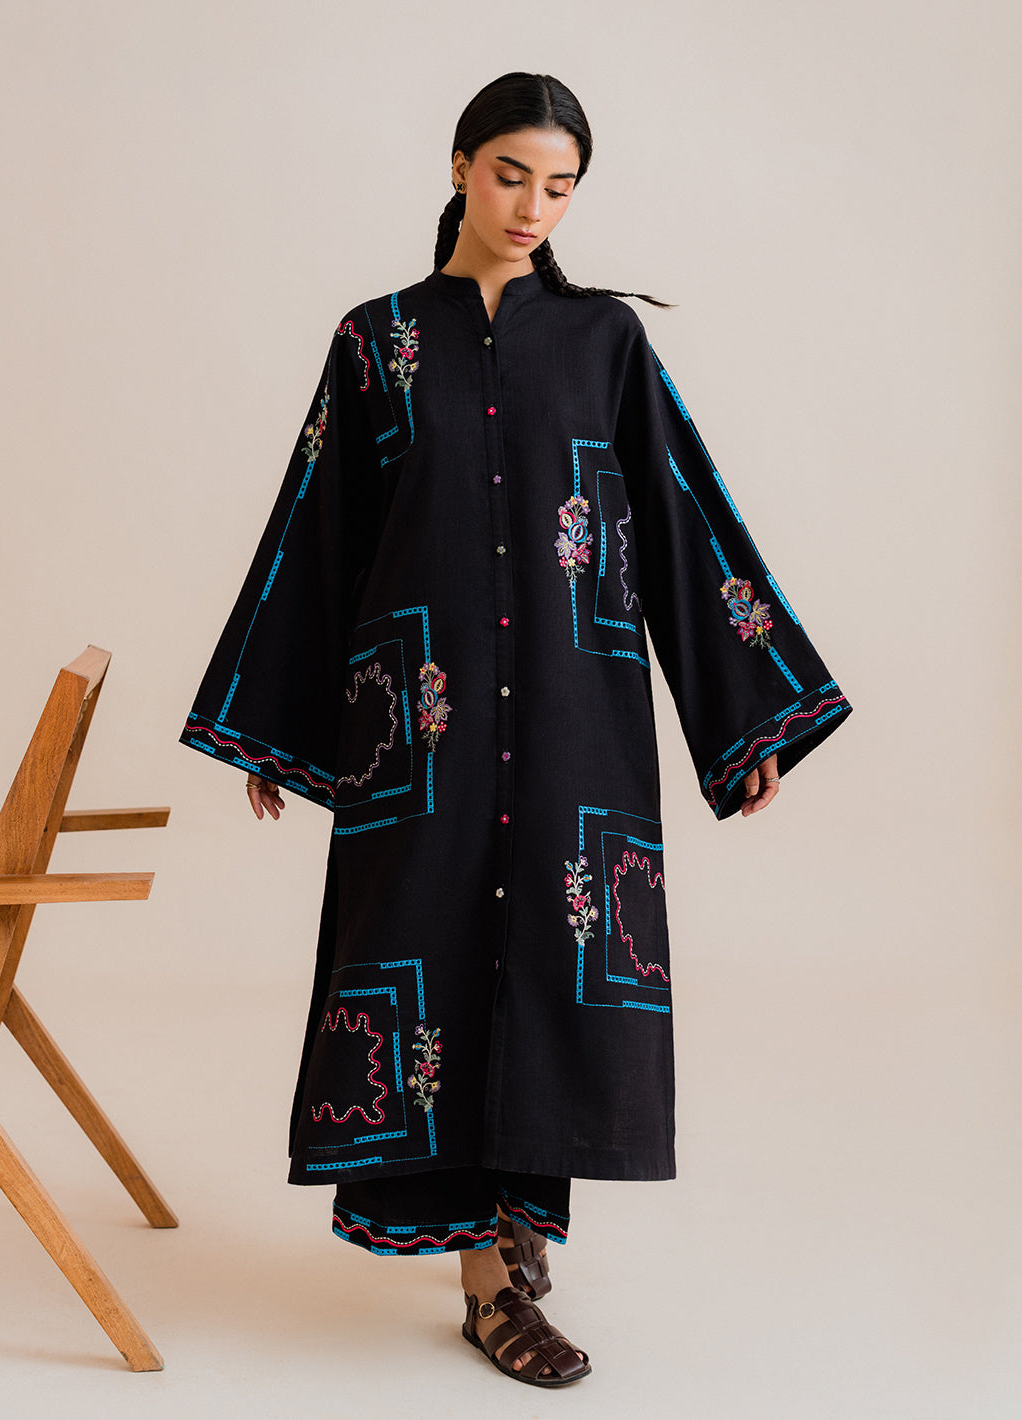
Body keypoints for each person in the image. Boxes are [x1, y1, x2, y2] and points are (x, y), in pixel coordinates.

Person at [180, 71, 852, 1388]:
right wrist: (276, 726)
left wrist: (747, 714)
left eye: (559, 186)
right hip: (416, 731)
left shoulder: (601, 341)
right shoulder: (377, 341)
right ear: (458, 166)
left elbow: (681, 517)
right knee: (428, 964)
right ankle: (487, 1279)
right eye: (510, 174)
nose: (532, 206)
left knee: (555, 958)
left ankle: (510, 1240)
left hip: (571, 725)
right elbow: (319, 531)